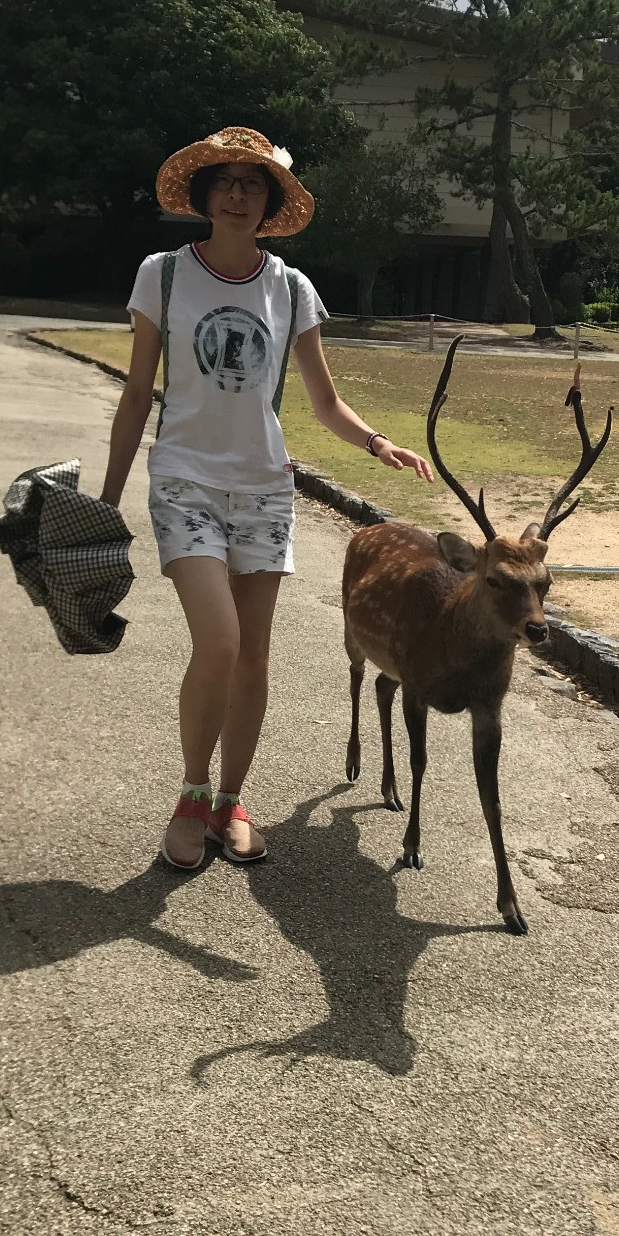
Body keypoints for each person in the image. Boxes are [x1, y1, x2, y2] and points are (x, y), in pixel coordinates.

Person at [100, 126, 433, 871]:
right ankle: (190, 795)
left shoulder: (289, 286)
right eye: (227, 181)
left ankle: (229, 801)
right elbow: (135, 395)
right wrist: (108, 499)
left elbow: (323, 400)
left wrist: (379, 443)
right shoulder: (162, 275)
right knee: (217, 641)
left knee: (253, 656)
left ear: (270, 202)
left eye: (255, 184)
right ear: (205, 195)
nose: (240, 194)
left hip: (263, 485)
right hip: (184, 477)